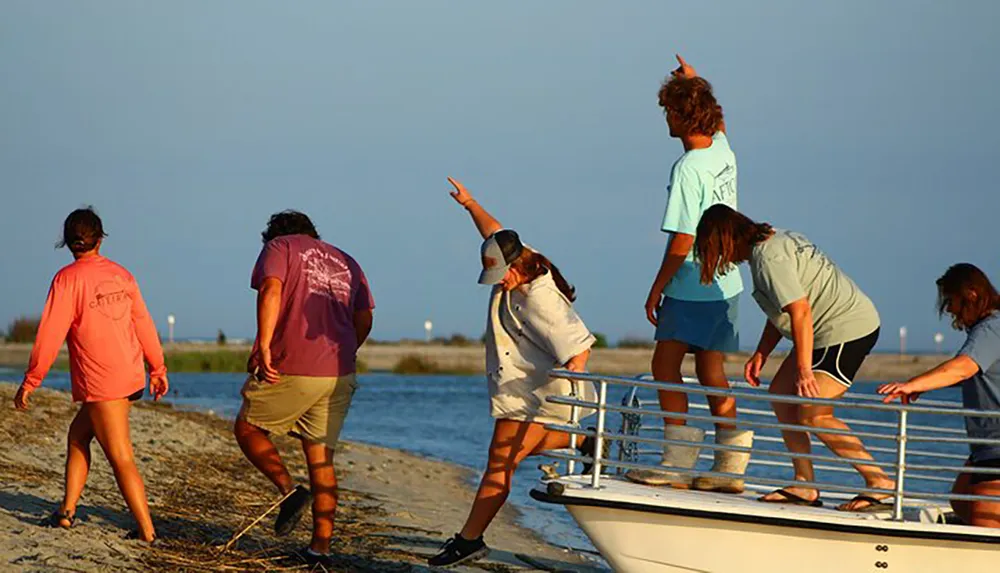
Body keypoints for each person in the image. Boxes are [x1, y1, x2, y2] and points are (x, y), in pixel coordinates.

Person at [429, 177, 598, 567]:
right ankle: (582, 443)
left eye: (502, 274)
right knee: (508, 459)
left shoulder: (538, 299)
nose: (499, 281)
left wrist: (573, 386)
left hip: (535, 393)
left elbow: (581, 347)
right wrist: (471, 204)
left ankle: (469, 540)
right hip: (527, 389)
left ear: (515, 264)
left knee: (499, 464)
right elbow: (495, 231)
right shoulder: (522, 255)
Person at [694, 204, 895, 510]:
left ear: (726, 239)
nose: (722, 259)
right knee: (782, 396)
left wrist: (803, 371)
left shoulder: (768, 258)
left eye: (715, 250)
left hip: (846, 329)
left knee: (815, 414)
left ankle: (881, 482)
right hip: (821, 329)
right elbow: (784, 308)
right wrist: (761, 353)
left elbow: (800, 311)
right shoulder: (773, 241)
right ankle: (805, 483)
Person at [626, 55, 753, 493]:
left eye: (669, 110)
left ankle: (677, 462)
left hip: (694, 282)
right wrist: (695, 81)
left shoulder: (688, 169)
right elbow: (719, 121)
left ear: (682, 115)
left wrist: (655, 289)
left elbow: (682, 241)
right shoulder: (723, 149)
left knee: (664, 364)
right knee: (711, 372)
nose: (666, 117)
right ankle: (731, 465)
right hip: (728, 279)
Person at [13, 207, 168, 542]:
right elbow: (143, 322)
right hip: (129, 376)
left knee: (120, 456)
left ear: (68, 243)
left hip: (104, 383)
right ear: (100, 238)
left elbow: (50, 334)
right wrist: (156, 367)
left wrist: (31, 380)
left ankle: (147, 532)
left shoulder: (67, 279)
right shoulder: (121, 274)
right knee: (78, 436)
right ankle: (66, 513)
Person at [233, 211, 374, 567]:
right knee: (320, 456)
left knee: (248, 427)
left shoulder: (279, 247)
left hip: (293, 363)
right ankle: (319, 550)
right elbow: (365, 316)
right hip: (339, 371)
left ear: (274, 236)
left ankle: (289, 491)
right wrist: (345, 351)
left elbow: (271, 289)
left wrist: (264, 345)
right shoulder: (346, 259)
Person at [879, 263, 1000, 527]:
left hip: (996, 450)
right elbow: (978, 376)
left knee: (983, 537)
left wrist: (914, 384)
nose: (949, 309)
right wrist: (928, 384)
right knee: (960, 500)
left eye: (951, 301)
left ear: (972, 294)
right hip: (985, 449)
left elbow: (964, 367)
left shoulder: (990, 328)